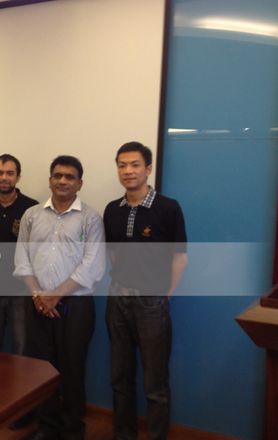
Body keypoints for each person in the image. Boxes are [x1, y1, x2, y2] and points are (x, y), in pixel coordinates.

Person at [14, 155, 105, 440]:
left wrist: (54, 296)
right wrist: (39, 296)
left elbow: (92, 265)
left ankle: (72, 429)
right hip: (37, 302)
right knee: (40, 370)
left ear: (79, 183)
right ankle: (46, 427)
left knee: (72, 367)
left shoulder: (91, 218)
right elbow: (22, 259)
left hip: (75, 305)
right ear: (50, 180)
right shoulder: (31, 215)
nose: (62, 181)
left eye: (69, 177)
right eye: (57, 175)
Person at [103, 141, 188, 440]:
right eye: (122, 165)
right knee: (120, 378)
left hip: (151, 302)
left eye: (135, 164)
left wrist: (164, 294)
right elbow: (113, 253)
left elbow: (180, 258)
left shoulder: (167, 207)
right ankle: (123, 435)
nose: (128, 171)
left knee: (155, 383)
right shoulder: (112, 209)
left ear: (148, 168)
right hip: (117, 299)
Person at [0, 154, 38, 430]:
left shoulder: (32, 208)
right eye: (0, 172)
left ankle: (23, 409)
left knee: (23, 352)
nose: (4, 177)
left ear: (18, 177)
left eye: (10, 173)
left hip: (22, 290)